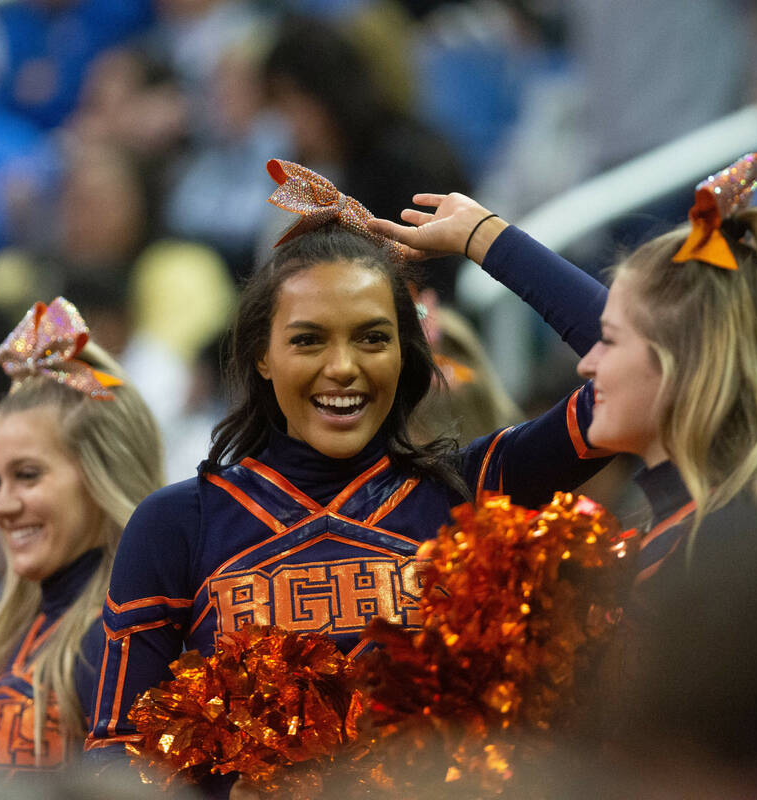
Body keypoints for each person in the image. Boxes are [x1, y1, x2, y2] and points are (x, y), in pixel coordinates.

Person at [86, 159, 613, 758]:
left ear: (403, 353)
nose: (343, 367)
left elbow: (644, 367)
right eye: (308, 339)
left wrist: (485, 238)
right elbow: (116, 760)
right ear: (263, 356)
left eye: (372, 337)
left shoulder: (476, 488)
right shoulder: (178, 525)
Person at [370, 153, 757, 605]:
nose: (586, 363)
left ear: (682, 365)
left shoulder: (719, 551)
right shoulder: (716, 521)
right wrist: (483, 236)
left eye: (612, 341)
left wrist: (486, 237)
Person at [0, 297, 162, 778]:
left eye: (27, 476)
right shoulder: (7, 636)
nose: (2, 506)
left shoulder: (122, 642)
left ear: (100, 477)